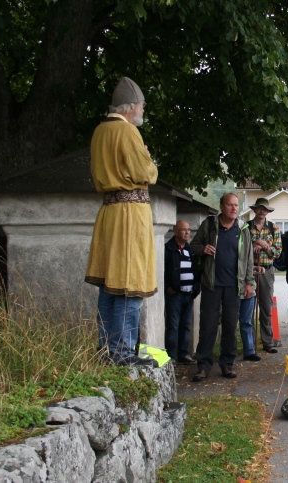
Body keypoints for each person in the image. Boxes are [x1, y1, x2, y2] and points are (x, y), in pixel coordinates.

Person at [85, 76, 158, 366]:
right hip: (129, 215)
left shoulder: (99, 131)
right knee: (130, 281)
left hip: (110, 212)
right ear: (130, 107)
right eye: (141, 105)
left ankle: (106, 349)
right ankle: (123, 352)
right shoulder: (127, 131)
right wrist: (149, 160)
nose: (142, 110)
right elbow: (145, 173)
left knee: (110, 284)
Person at [190, 193, 256, 381]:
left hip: (233, 286)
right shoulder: (210, 225)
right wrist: (203, 249)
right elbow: (193, 245)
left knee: (230, 327)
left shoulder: (243, 229)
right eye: (230, 205)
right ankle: (203, 366)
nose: (234, 208)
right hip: (211, 284)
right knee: (208, 326)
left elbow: (248, 258)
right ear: (221, 206)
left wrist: (249, 282)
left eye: (236, 205)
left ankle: (227, 365)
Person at [246, 198, 282, 353]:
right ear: (255, 210)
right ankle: (250, 344)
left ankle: (267, 342)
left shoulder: (274, 228)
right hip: (249, 270)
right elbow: (241, 249)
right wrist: (254, 244)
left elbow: (277, 252)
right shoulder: (246, 227)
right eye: (259, 208)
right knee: (248, 308)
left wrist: (264, 245)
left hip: (267, 270)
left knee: (266, 307)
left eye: (265, 209)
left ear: (268, 211)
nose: (262, 211)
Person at [164, 220, 200, 364]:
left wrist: (196, 288)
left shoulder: (190, 249)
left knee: (185, 325)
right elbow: (163, 270)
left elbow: (196, 269)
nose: (187, 232)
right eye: (184, 230)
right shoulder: (168, 249)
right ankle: (171, 356)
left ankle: (183, 354)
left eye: (189, 229)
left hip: (189, 294)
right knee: (173, 325)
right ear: (175, 231)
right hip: (175, 294)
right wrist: (168, 287)